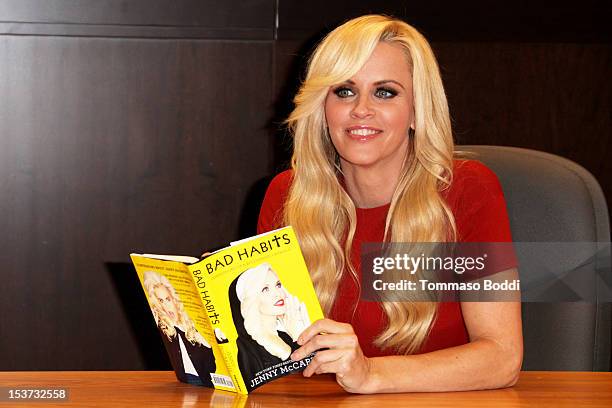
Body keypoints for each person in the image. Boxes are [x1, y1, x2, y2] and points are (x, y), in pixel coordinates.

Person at [257, 14, 523, 393]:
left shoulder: (469, 190)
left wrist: (370, 374)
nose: (361, 109)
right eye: (344, 91)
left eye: (385, 92)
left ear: (417, 111)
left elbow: (502, 357)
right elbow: (272, 352)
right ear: (322, 108)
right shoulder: (288, 195)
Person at [229, 263, 311, 390]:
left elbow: (310, 382)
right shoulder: (246, 346)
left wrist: (298, 337)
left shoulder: (287, 335)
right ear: (251, 299)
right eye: (265, 289)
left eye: (278, 285)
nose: (278, 293)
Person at [143, 271, 216, 387]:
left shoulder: (192, 326)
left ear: (175, 299)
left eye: (168, 299)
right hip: (182, 385)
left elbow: (212, 366)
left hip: (206, 385)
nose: (165, 306)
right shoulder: (163, 324)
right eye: (160, 301)